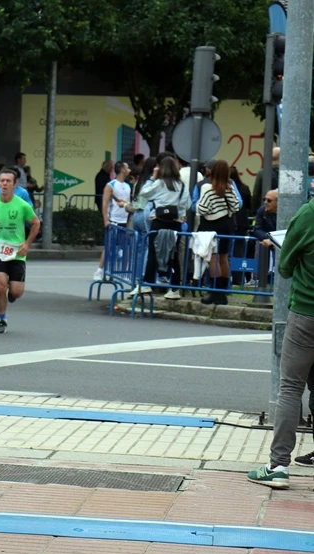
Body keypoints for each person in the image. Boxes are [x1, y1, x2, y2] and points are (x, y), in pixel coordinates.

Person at [248, 191, 314, 489]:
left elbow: (285, 266)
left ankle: (278, 465)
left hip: (306, 314)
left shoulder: (308, 215)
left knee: (290, 387)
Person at [0, 168, 40, 333]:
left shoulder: (22, 205)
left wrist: (27, 244)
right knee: (1, 285)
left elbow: (36, 223)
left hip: (16, 251)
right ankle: (2, 319)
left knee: (16, 292)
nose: (4, 184)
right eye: (2, 181)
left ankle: (11, 292)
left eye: (8, 181)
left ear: (15, 184)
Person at [134, 157, 189, 298]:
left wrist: (153, 177)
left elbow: (144, 193)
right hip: (176, 223)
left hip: (158, 221)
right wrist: (180, 214)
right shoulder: (181, 185)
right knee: (174, 253)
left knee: (153, 252)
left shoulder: (158, 183)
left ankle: (147, 283)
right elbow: (186, 204)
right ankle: (174, 288)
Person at [195, 159, 240, 306]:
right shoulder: (230, 187)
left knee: (213, 259)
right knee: (223, 258)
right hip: (226, 225)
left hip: (210, 225)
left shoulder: (207, 188)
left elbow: (201, 209)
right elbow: (236, 207)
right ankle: (222, 292)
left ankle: (214, 292)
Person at [94, 161, 131, 281]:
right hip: (113, 220)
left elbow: (127, 204)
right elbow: (104, 203)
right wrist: (106, 220)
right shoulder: (110, 185)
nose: (129, 169)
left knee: (124, 247)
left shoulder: (128, 186)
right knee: (109, 246)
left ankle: (120, 273)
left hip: (125, 221)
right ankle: (100, 271)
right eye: (127, 167)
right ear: (122, 170)